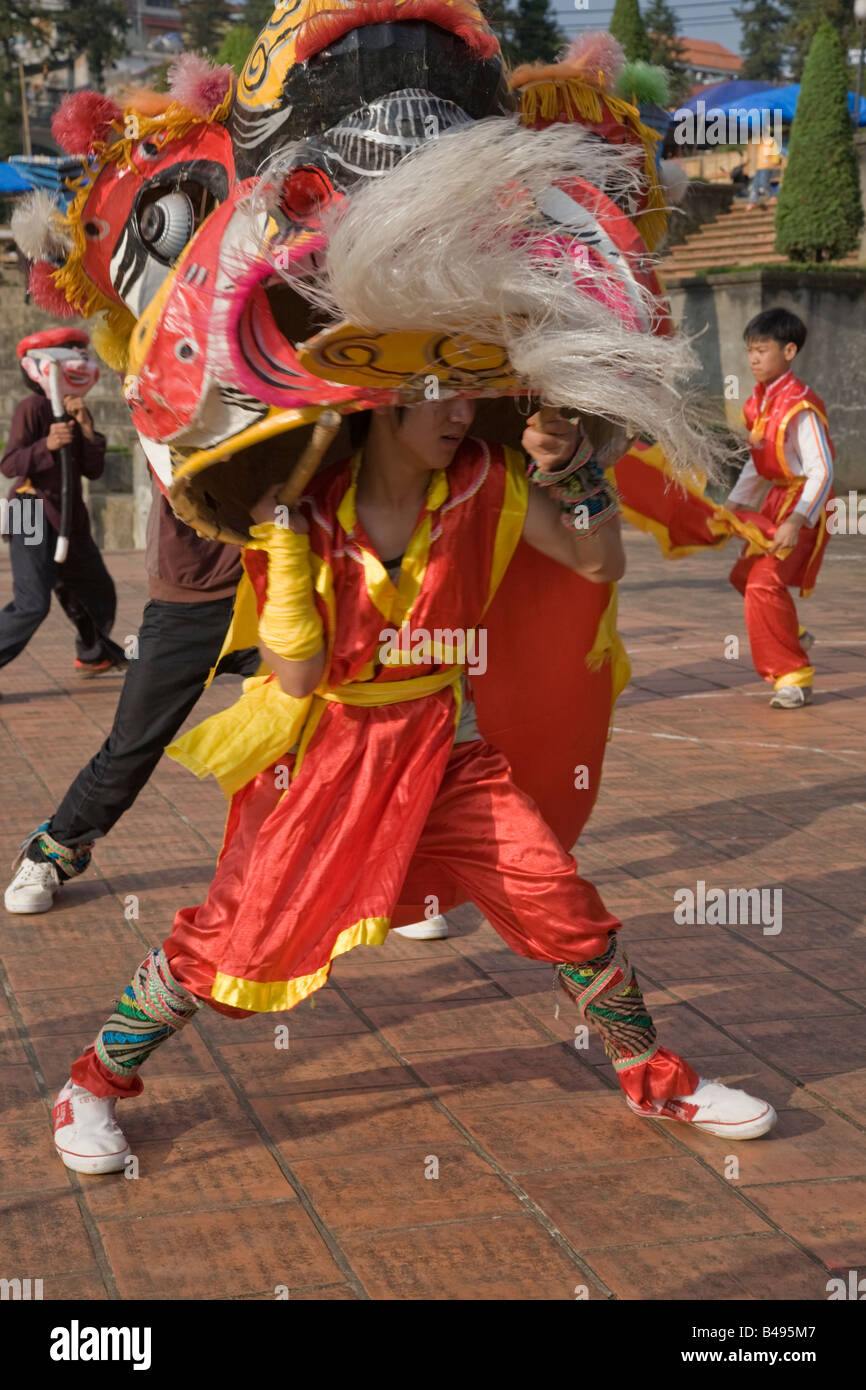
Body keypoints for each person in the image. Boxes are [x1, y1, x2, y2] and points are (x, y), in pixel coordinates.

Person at [52, 398, 777, 1175]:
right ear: (386, 401)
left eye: (472, 391)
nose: (463, 411)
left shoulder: (486, 481)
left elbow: (599, 562)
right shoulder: (305, 501)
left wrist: (574, 471)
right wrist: (286, 550)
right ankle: (90, 1084)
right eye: (441, 390)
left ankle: (654, 1078)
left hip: (448, 746)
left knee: (564, 907)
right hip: (328, 756)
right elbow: (296, 675)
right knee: (234, 937)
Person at [4, 478, 260, 910]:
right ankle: (53, 850)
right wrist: (49, 444)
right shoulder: (36, 408)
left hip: (286, 595)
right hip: (189, 600)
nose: (74, 402)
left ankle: (405, 870)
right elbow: (16, 462)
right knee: (131, 746)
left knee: (359, 715)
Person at [725, 308, 834, 708]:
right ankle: (793, 632)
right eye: (749, 350)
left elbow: (822, 470)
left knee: (763, 582)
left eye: (761, 350)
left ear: (789, 351)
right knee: (743, 576)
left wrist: (797, 518)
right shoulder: (761, 402)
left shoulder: (800, 404)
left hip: (805, 502)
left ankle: (793, 675)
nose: (752, 358)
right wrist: (732, 506)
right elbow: (759, 461)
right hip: (778, 499)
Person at [0, 329, 121, 684]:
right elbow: (9, 464)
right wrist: (47, 445)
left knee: (97, 591)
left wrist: (85, 428)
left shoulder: (75, 410)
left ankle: (94, 655)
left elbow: (93, 470)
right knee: (33, 603)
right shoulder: (32, 407)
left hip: (68, 517)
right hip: (28, 510)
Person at [747, 132, 783, 208]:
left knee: (763, 183)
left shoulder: (770, 142)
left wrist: (775, 162)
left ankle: (773, 196)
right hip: (759, 167)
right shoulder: (760, 143)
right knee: (755, 184)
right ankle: (753, 201)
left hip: (767, 166)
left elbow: (775, 153)